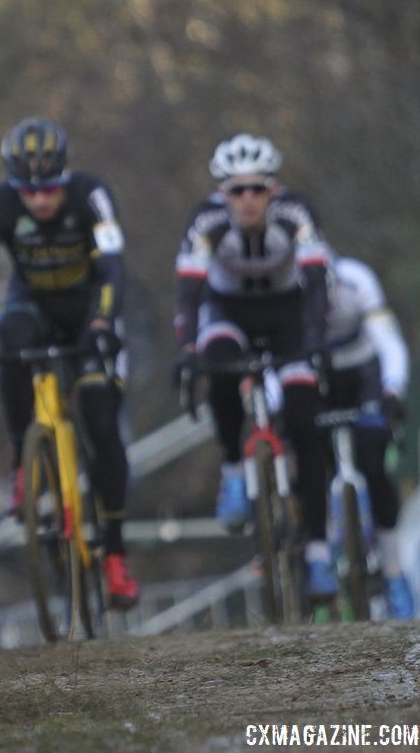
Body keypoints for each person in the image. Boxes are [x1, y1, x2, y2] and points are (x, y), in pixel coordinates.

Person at [0, 117, 140, 610]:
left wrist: (102, 325)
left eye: (50, 189)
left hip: (88, 309)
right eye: (29, 192)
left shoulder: (91, 196)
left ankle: (116, 555)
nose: (40, 201)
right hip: (31, 305)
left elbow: (114, 270)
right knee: (11, 339)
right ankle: (23, 462)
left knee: (101, 417)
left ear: (66, 175)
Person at [172, 133, 336, 601]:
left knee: (305, 423)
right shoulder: (205, 222)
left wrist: (318, 342)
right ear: (221, 193)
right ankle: (231, 471)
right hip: (229, 313)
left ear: (274, 189)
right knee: (218, 368)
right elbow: (188, 293)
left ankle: (320, 552)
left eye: (257, 189)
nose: (247, 199)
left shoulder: (296, 214)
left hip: (289, 316)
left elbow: (319, 282)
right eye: (236, 190)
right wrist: (185, 348)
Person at [323, 255, 414, 618]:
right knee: (312, 469)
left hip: (365, 376)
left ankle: (393, 572)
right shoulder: (287, 294)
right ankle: (318, 566)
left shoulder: (357, 279)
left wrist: (393, 389)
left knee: (374, 464)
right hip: (320, 379)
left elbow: (389, 342)